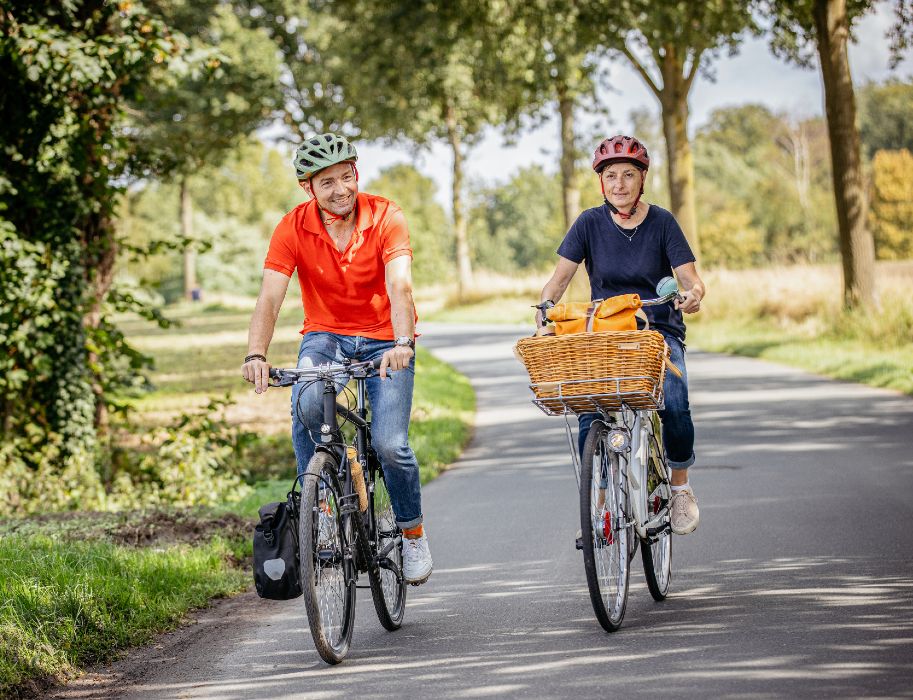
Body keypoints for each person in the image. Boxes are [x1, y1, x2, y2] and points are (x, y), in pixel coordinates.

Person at [242, 132, 432, 584]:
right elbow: (270, 298)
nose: (340, 189)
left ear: (356, 175)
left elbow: (399, 287)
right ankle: (325, 502)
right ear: (309, 188)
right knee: (307, 404)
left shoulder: (387, 215)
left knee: (390, 444)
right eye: (327, 182)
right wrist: (256, 353)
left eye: (346, 177)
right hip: (325, 336)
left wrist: (403, 342)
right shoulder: (292, 226)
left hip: (388, 339)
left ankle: (412, 535)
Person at [538, 134, 706, 536]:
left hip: (656, 329)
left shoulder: (663, 222)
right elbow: (557, 282)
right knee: (587, 408)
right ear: (602, 181)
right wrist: (545, 313)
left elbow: (691, 280)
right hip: (606, 331)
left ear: (642, 178)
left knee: (676, 401)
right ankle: (598, 505)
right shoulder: (589, 223)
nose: (619, 184)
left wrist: (691, 297)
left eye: (628, 175)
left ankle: (680, 488)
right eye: (611, 176)